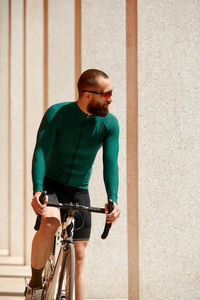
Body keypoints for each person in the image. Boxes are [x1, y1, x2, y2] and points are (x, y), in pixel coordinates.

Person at [25, 69, 120, 300]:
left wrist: (113, 198)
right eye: (106, 93)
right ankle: (36, 285)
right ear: (87, 94)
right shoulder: (57, 113)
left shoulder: (110, 124)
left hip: (79, 188)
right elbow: (41, 151)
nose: (111, 98)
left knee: (79, 254)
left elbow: (110, 164)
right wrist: (38, 189)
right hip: (52, 183)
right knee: (49, 223)